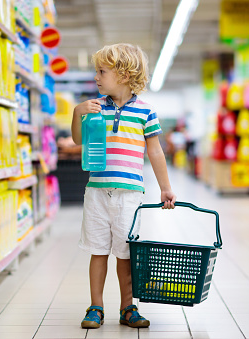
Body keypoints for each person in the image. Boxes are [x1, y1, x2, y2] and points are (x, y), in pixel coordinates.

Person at [71, 43, 177, 330]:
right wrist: (77, 112)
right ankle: (96, 307)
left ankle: (127, 307)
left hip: (130, 194)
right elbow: (78, 140)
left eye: (102, 71)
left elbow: (155, 152)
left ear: (124, 75)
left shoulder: (145, 112)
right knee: (98, 250)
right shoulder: (94, 108)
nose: (96, 77)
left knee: (126, 254)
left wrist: (165, 187)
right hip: (97, 191)